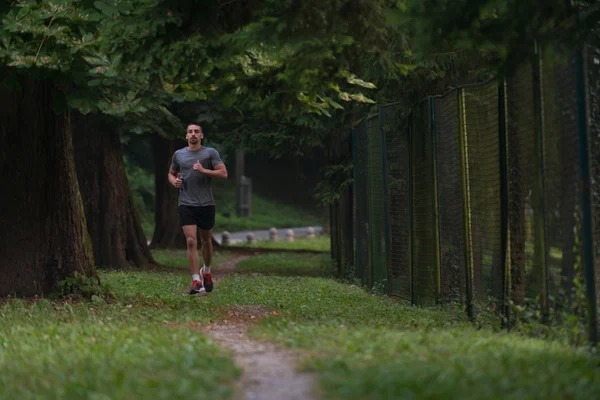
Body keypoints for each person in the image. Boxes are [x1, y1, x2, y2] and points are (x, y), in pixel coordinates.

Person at [168, 123, 228, 295]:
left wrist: (203, 170)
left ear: (201, 135)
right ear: (186, 136)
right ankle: (196, 280)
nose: (193, 134)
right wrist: (174, 182)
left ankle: (206, 272)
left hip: (206, 203)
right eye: (190, 132)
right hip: (186, 203)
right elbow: (171, 173)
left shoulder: (210, 153)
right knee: (191, 241)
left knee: (206, 241)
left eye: (196, 132)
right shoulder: (179, 155)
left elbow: (223, 174)